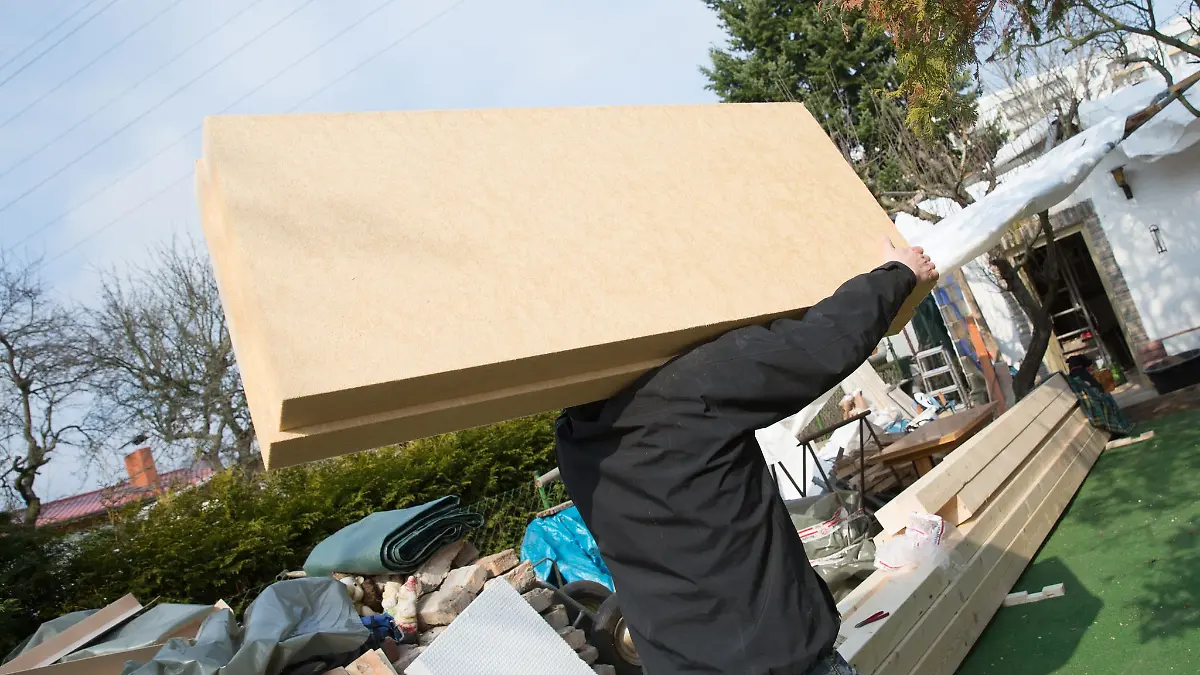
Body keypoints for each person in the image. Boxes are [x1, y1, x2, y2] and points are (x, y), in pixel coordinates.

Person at [555, 239, 939, 675]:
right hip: (780, 662)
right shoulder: (691, 384)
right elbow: (816, 345)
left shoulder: (572, 440)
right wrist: (898, 273)